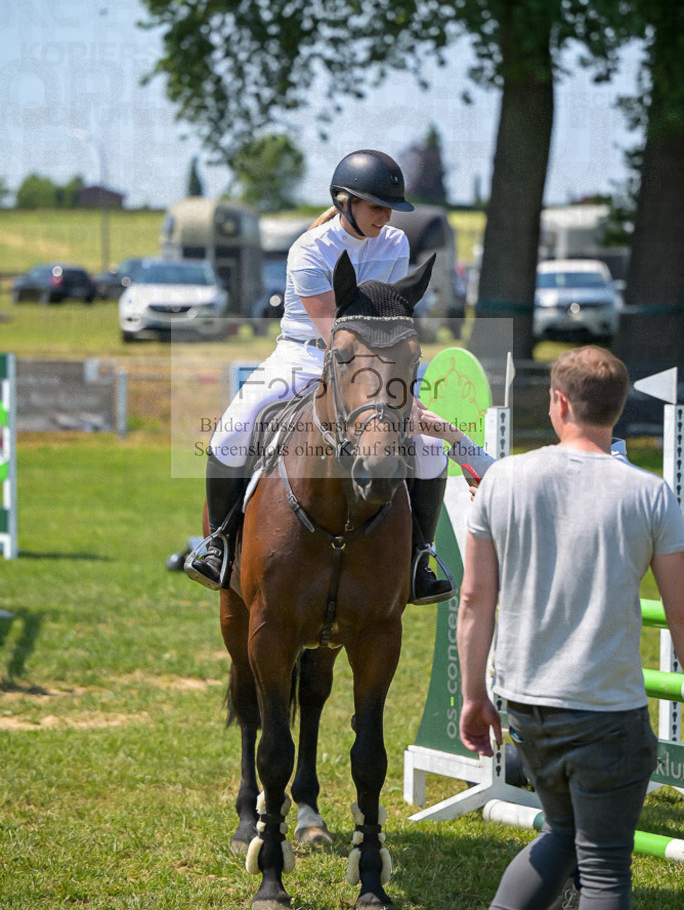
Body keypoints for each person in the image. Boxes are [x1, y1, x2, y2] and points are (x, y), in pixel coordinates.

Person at [457, 345, 684, 910]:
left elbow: (475, 599)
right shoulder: (651, 492)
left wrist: (474, 696)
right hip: (608, 710)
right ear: (619, 407)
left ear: (559, 402)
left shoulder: (503, 479)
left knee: (561, 833)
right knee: (603, 864)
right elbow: (680, 612)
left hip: (527, 706)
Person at [187, 149, 458, 603]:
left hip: (369, 361)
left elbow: (387, 317)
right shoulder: (310, 249)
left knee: (430, 447)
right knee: (231, 433)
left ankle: (420, 558)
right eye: (377, 207)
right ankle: (218, 543)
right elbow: (333, 331)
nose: (386, 217)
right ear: (344, 202)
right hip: (303, 356)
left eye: (390, 208)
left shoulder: (395, 243)